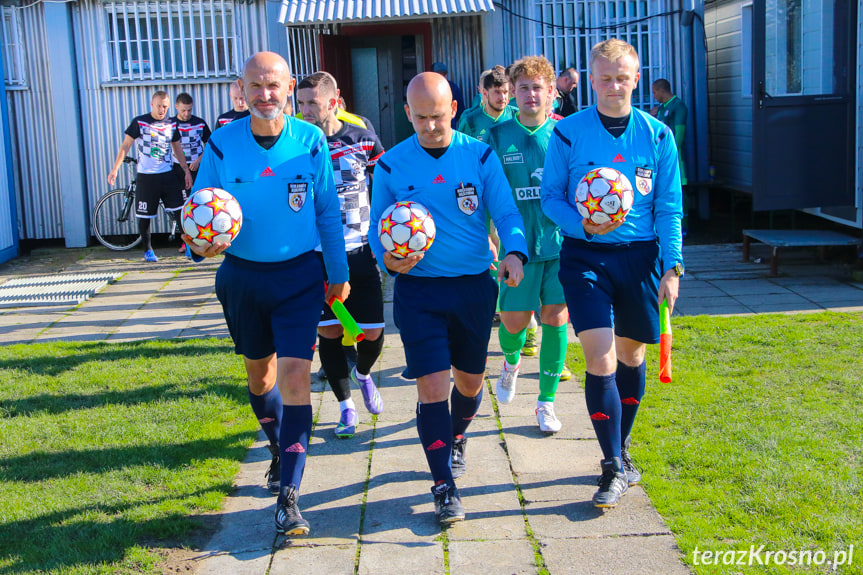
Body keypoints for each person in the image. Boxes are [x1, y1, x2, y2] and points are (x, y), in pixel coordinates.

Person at [187, 52, 350, 537]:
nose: (265, 95)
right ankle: (280, 447)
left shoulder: (311, 140)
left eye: (273, 85)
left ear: (288, 86)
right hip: (242, 278)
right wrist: (199, 245)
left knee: (297, 377)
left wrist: (337, 271)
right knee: (261, 380)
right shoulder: (221, 144)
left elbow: (326, 211)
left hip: (300, 276)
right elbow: (198, 214)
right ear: (241, 90)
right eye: (255, 86)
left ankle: (290, 498)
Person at [369, 72, 528, 526]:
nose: (430, 125)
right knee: (432, 387)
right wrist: (387, 260)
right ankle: (443, 485)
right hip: (419, 291)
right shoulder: (390, 165)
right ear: (407, 114)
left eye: (437, 116)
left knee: (470, 384)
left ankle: (456, 436)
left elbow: (507, 210)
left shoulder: (478, 155)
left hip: (473, 288)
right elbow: (376, 230)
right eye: (420, 117)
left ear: (453, 109)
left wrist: (514, 250)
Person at [540, 39, 683, 508]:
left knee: (631, 357)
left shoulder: (658, 135)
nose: (613, 86)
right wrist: (582, 222)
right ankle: (611, 467)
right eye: (604, 78)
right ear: (591, 79)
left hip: (640, 258)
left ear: (636, 79)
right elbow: (551, 198)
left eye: (622, 78)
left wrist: (673, 265)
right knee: (599, 359)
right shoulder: (567, 133)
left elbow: (668, 207)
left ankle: (621, 450)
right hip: (585, 257)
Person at [296, 71, 386, 438]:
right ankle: (346, 409)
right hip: (316, 255)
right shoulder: (294, 144)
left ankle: (363, 375)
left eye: (311, 103)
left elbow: (383, 183)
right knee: (330, 334)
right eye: (299, 103)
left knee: (374, 335)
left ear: (333, 103)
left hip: (359, 250)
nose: (303, 111)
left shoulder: (362, 138)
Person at [486, 55, 569, 434]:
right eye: (523, 88)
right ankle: (510, 362)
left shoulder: (565, 134)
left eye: (538, 88)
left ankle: (546, 403)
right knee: (514, 322)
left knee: (556, 319)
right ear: (512, 93)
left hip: (560, 244)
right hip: (517, 248)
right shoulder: (498, 136)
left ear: (551, 92)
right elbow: (485, 191)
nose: (531, 94)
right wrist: (491, 238)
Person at [107, 90, 192, 263]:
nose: (162, 110)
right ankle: (148, 250)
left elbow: (177, 149)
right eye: (159, 106)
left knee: (180, 212)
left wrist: (186, 171)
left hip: (167, 175)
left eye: (165, 107)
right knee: (145, 216)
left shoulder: (171, 124)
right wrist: (115, 169)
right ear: (152, 104)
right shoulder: (140, 122)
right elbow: (126, 145)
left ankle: (189, 247)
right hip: (146, 177)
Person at [651, 79, 688, 232]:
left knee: (679, 188)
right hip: (659, 159)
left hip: (674, 158)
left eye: (654, 92)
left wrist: (671, 153)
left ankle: (683, 227)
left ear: (661, 90)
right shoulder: (661, 108)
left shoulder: (678, 106)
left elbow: (679, 134)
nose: (654, 96)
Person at [457, 66, 516, 142]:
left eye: (505, 92)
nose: (502, 97)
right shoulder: (470, 121)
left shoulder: (517, 116)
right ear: (484, 93)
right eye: (497, 92)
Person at [173, 92, 211, 191]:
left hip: (197, 167)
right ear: (176, 106)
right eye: (183, 110)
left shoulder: (200, 123)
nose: (186, 113)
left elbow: (210, 146)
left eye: (189, 110)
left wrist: (198, 161)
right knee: (180, 201)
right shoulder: (170, 124)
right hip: (177, 168)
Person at [431, 62, 466, 129]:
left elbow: (460, 108)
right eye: (439, 74)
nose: (442, 76)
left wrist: (452, 119)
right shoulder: (427, 89)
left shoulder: (453, 87)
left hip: (449, 127)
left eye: (444, 74)